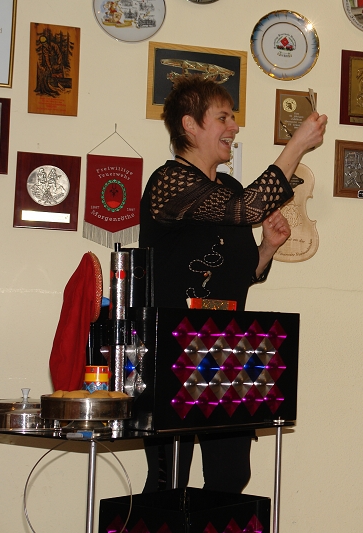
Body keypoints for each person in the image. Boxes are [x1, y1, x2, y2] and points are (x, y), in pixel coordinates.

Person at [138, 75, 327, 493]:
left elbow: (237, 275)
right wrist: (296, 145)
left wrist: (267, 249)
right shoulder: (169, 182)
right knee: (169, 479)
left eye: (233, 118)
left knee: (231, 476)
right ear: (190, 125)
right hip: (174, 347)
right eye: (223, 117)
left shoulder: (229, 189)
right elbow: (250, 207)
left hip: (228, 345)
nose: (234, 127)